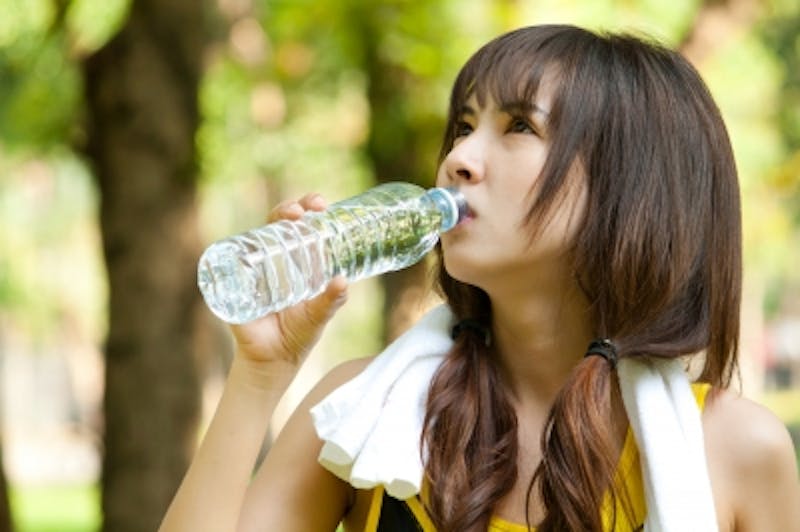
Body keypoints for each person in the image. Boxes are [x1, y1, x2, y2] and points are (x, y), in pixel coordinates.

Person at [159, 24, 800, 531]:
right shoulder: (366, 416)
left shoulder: (735, 450)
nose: (457, 160)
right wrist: (259, 374)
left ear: (628, 191)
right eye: (463, 127)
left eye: (519, 126)